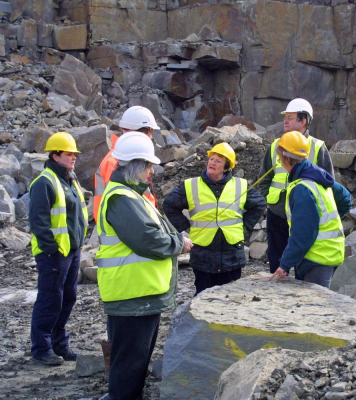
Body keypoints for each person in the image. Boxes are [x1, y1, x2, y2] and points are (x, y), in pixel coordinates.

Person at [95, 132, 192, 400]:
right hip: (132, 294)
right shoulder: (122, 198)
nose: (151, 171)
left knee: (135, 362)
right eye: (149, 165)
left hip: (141, 293)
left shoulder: (131, 195)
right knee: (129, 364)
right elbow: (147, 239)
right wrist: (179, 244)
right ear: (137, 165)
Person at [163, 142, 266, 295]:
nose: (212, 163)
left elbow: (259, 204)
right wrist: (185, 227)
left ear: (227, 166)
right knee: (203, 296)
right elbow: (169, 205)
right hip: (203, 253)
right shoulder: (191, 185)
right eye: (211, 159)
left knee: (231, 298)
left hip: (231, 252)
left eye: (218, 161)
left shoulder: (240, 185)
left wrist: (245, 226)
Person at [29, 132, 88, 365]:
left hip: (71, 250)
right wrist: (51, 249)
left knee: (68, 297)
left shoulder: (70, 180)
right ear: (55, 156)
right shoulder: (45, 181)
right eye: (68, 154)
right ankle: (42, 350)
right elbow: (38, 221)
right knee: (50, 299)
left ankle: (59, 345)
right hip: (54, 254)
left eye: (74, 154)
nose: (73, 157)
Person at [258, 98, 334, 274]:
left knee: (304, 265)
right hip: (277, 214)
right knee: (276, 265)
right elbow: (263, 179)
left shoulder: (317, 147)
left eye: (290, 118)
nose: (285, 121)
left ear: (304, 121)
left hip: (304, 215)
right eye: (286, 117)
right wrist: (268, 203)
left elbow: (329, 184)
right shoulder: (274, 147)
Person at [269, 131, 351, 288]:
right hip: (325, 254)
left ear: (286, 158)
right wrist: (325, 221)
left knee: (315, 309)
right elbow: (345, 198)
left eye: (280, 158)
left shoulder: (303, 188)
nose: (279, 161)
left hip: (317, 258)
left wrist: (284, 264)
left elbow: (303, 234)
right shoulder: (317, 176)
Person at [93, 105, 160, 222]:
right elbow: (120, 204)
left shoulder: (127, 157)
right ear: (142, 133)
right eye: (150, 134)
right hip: (126, 230)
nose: (151, 139)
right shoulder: (116, 160)